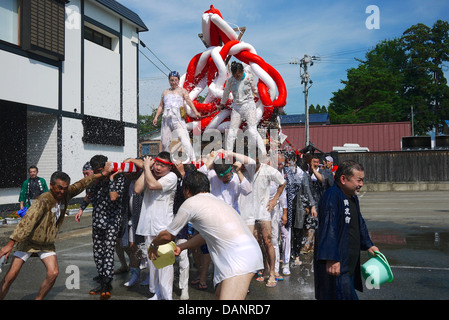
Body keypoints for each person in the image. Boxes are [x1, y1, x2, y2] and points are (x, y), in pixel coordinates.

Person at [148, 171, 263, 300]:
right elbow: (204, 236)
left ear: (187, 190)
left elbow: (167, 236)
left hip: (239, 259)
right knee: (219, 297)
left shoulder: (190, 203)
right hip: (244, 253)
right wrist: (182, 247)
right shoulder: (215, 201)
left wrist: (153, 245)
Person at [0, 167, 111, 300]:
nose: (62, 191)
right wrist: (10, 244)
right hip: (28, 242)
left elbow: (82, 183)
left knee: (53, 273)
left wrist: (101, 174)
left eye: (65, 188)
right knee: (10, 277)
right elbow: (27, 223)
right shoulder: (43, 200)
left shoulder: (66, 194)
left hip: (47, 244)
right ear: (51, 186)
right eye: (59, 188)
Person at [314, 160, 379, 300]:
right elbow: (328, 226)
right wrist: (331, 258)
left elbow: (359, 223)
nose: (361, 184)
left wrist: (369, 244)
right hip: (336, 264)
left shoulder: (352, 198)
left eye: (362, 180)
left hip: (347, 262)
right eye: (359, 180)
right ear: (343, 179)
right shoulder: (332, 195)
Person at [127, 152, 178, 300]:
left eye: (162, 166)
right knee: (153, 261)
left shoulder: (171, 177)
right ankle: (156, 292)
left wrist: (147, 169)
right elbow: (137, 189)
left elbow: (153, 185)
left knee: (165, 263)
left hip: (163, 226)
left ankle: (167, 295)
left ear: (169, 168)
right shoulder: (149, 174)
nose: (158, 168)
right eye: (157, 164)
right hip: (148, 224)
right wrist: (146, 168)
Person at [85, 155, 125, 300]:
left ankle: (106, 285)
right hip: (97, 221)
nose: (99, 173)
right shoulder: (96, 180)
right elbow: (89, 196)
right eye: (95, 171)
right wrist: (81, 209)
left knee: (108, 252)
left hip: (112, 222)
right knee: (98, 253)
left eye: (100, 170)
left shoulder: (119, 178)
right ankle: (102, 281)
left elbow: (114, 197)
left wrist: (112, 179)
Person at [220, 61, 267, 158]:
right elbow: (225, 93)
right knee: (232, 131)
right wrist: (222, 104)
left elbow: (255, 90)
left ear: (242, 71)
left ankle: (261, 153)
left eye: (238, 75)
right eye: (235, 75)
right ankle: (228, 154)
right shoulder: (230, 80)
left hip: (249, 105)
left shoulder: (249, 77)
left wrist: (263, 96)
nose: (237, 77)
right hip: (237, 107)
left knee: (252, 130)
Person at [153, 71, 201, 162]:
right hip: (166, 118)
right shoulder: (165, 92)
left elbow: (189, 101)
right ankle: (166, 160)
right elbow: (161, 106)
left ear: (178, 80)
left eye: (175, 80)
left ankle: (193, 159)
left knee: (184, 139)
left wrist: (195, 112)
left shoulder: (182, 91)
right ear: (169, 81)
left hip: (177, 118)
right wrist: (156, 117)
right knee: (164, 142)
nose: (173, 82)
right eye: (171, 80)